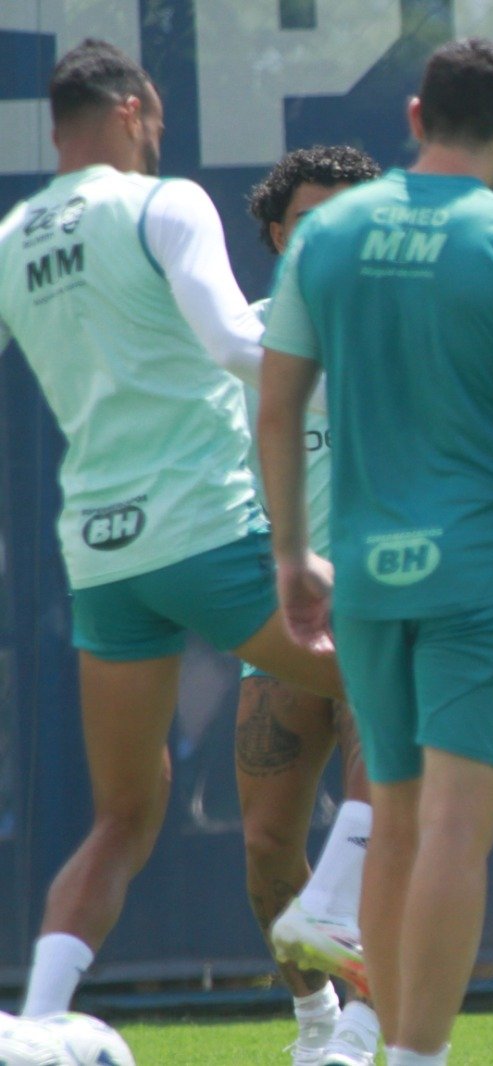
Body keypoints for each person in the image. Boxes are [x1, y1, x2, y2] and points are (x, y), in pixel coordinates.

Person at [257, 38, 493, 1066]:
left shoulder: (325, 238)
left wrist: (292, 556)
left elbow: (277, 408)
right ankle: (415, 1056)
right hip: (487, 578)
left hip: (367, 578)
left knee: (394, 823)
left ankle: (383, 1045)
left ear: (415, 116)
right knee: (454, 833)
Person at [0, 39, 345, 1020]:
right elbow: (237, 340)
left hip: (103, 558)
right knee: (406, 670)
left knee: (121, 815)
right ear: (133, 107)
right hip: (203, 532)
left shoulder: (13, 234)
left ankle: (34, 1025)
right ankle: (335, 910)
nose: (156, 131)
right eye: (150, 117)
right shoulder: (166, 202)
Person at [241, 146, 386, 1066]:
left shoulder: (406, 331)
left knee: (376, 837)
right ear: (275, 233)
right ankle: (320, 1020)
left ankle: (372, 1029)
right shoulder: (237, 340)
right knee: (266, 849)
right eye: (308, 220)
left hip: (386, 615)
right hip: (280, 629)